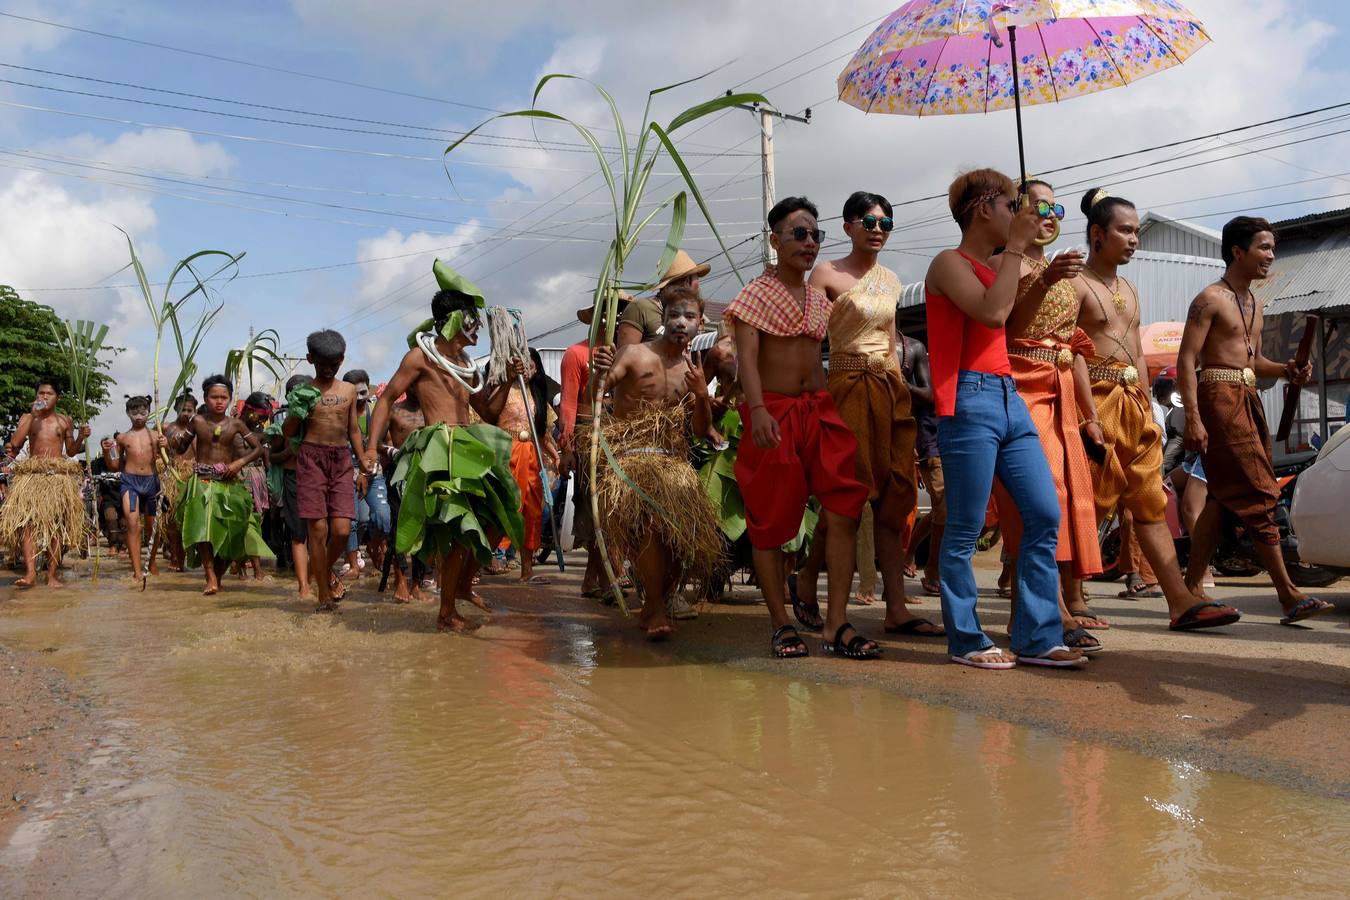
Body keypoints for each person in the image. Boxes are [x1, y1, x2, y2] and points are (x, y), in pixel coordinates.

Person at [923, 169, 1085, 669]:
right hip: (970, 398)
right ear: (982, 208)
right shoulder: (948, 263)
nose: (1021, 213)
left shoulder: (996, 267)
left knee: (1043, 513)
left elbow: (1013, 322)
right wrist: (1016, 247)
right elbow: (991, 316)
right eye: (1012, 203)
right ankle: (967, 640)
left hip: (1008, 393)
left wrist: (1043, 276)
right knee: (966, 527)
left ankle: (1037, 636)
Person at [1070, 187, 1240, 632]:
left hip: (1134, 404)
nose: (1133, 239)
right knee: (1085, 501)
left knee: (1149, 501)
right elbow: (1071, 354)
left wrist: (1148, 407)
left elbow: (1138, 353)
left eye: (1135, 231)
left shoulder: (1128, 285)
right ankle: (1067, 600)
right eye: (1124, 231)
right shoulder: (1073, 284)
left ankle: (1180, 601)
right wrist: (1087, 415)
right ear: (1096, 234)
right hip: (1096, 403)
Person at [727, 196, 873, 660]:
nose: (809, 243)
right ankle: (781, 624)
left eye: (815, 235)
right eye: (798, 234)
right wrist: (758, 410)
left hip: (819, 410)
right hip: (773, 411)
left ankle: (836, 624)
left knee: (844, 508)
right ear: (775, 240)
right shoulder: (754, 295)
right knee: (770, 522)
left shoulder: (818, 298)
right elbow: (747, 360)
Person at [1177, 215, 1331, 625]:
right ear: (1237, 251)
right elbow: (1187, 359)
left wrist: (1286, 370)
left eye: (1272, 248)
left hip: (1246, 398)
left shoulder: (1256, 303)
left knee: (1223, 497)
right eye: (1264, 247)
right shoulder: (1209, 299)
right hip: (1217, 398)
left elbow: (1253, 362)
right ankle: (1287, 593)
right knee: (1262, 492)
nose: (1271, 256)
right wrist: (1193, 417)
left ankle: (1191, 589)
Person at [798, 190, 938, 637]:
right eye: (869, 221)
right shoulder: (825, 274)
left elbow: (892, 340)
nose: (878, 229)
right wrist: (817, 398)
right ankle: (806, 583)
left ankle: (895, 607)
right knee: (849, 498)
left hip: (889, 391)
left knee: (895, 497)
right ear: (848, 227)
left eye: (885, 223)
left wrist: (900, 391)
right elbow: (807, 344)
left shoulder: (893, 280)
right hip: (845, 388)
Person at [363, 260, 526, 634]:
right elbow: (386, 400)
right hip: (440, 451)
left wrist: (509, 380)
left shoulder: (467, 363)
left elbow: (487, 408)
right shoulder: (420, 356)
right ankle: (446, 612)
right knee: (457, 529)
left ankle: (461, 588)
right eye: (472, 319)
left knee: (497, 515)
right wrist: (371, 449)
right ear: (453, 320)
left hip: (467, 447)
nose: (478, 328)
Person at [986, 180, 1106, 652]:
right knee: (1039, 498)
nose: (1049, 215)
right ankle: (1050, 610)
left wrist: (1090, 414)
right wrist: (1045, 279)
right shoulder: (1002, 264)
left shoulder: (1072, 276)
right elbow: (1007, 324)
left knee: (1068, 494)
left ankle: (1032, 613)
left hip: (1061, 390)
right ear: (1015, 212)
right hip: (1019, 382)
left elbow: (1074, 349)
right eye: (1038, 207)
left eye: (1055, 207)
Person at [592, 285, 723, 640]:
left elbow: (698, 430)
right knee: (649, 522)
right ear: (662, 318)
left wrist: (700, 395)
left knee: (682, 534)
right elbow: (598, 391)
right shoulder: (634, 353)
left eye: (690, 317)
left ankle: (657, 600)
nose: (682, 323)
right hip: (631, 459)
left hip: (672, 460)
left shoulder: (691, 371)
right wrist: (601, 369)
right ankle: (653, 605)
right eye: (674, 315)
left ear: (700, 323)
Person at [280, 331, 367, 612]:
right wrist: (297, 411)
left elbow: (353, 428)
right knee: (317, 529)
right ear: (310, 360)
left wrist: (363, 462)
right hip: (311, 457)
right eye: (323, 363)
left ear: (342, 359)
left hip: (341, 459)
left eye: (334, 363)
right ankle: (324, 595)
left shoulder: (348, 391)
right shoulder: (304, 392)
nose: (329, 368)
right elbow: (287, 432)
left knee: (342, 530)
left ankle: (322, 573)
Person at [172, 375, 269, 595]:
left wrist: (238, 463)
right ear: (205, 398)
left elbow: (257, 448)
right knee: (203, 530)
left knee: (235, 530)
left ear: (230, 399)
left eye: (223, 397)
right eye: (214, 397)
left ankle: (218, 573)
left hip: (228, 482)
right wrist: (169, 441)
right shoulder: (197, 421)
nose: (219, 401)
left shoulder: (235, 423)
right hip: (202, 482)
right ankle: (210, 576)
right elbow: (180, 448)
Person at [559, 294, 629, 600]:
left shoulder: (626, 354)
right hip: (590, 434)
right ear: (603, 317)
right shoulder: (576, 354)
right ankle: (614, 573)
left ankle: (591, 577)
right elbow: (569, 405)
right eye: (617, 313)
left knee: (611, 505)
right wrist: (566, 448)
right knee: (596, 503)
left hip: (619, 433)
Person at [1, 378, 90, 588]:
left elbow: (71, 451)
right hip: (33, 476)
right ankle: (31, 574)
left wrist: (80, 437)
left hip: (57, 478)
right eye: (40, 393)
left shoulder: (64, 420)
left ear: (57, 398)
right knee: (27, 524)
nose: (43, 397)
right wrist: (33, 415)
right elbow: (15, 443)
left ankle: (51, 575)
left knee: (57, 526)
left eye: (48, 394)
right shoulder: (28, 418)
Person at [494, 350, 559, 586]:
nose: (528, 367)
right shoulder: (502, 390)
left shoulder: (537, 395)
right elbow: (487, 418)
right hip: (504, 453)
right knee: (504, 507)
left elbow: (542, 434)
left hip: (531, 455)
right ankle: (492, 557)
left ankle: (527, 570)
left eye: (532, 364)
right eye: (524, 363)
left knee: (532, 512)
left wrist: (555, 456)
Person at [100, 394, 168, 581]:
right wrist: (106, 451)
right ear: (128, 413)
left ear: (148, 413)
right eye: (134, 412)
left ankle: (152, 561)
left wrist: (166, 447)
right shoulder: (122, 438)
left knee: (153, 527)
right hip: (130, 482)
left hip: (151, 481)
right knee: (132, 524)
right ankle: (137, 570)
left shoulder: (156, 436)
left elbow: (168, 461)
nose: (139, 415)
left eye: (143, 412)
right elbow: (114, 466)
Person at [899, 334, 944, 596]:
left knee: (942, 509)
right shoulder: (919, 356)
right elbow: (924, 395)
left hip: (956, 440)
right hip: (931, 441)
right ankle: (933, 570)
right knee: (944, 507)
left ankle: (910, 553)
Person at [377, 382, 428, 603]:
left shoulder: (431, 411)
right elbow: (375, 442)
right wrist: (392, 451)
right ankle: (400, 581)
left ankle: (417, 584)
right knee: (399, 527)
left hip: (424, 475)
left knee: (423, 529)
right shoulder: (394, 411)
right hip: (398, 474)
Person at [266, 374, 314, 599]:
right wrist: (292, 450)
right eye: (296, 391)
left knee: (320, 531)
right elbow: (272, 456)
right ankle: (303, 585)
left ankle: (317, 578)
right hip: (293, 476)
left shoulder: (320, 413)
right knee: (297, 532)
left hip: (317, 476)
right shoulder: (281, 420)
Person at [341, 369, 391, 580]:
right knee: (354, 521)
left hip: (372, 472)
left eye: (363, 392)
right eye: (355, 393)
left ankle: (373, 544)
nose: (360, 398)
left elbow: (386, 440)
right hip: (346, 472)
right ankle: (352, 562)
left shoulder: (376, 414)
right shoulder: (340, 414)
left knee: (382, 516)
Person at [617, 250, 710, 345]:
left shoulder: (688, 317)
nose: (698, 285)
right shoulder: (641, 308)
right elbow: (624, 355)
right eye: (696, 278)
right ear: (686, 281)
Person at [159, 391, 199, 571]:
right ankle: (175, 557)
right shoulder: (166, 428)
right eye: (183, 409)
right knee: (172, 521)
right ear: (176, 409)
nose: (186, 413)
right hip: (172, 475)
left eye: (190, 410)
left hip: (191, 476)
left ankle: (189, 556)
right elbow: (157, 453)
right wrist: (162, 446)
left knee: (189, 520)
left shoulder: (197, 429)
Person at [238, 392, 274, 582]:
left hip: (259, 478)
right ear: (250, 410)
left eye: (265, 419)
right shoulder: (235, 427)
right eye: (260, 417)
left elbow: (266, 458)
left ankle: (244, 566)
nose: (262, 421)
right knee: (246, 523)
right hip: (240, 477)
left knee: (256, 522)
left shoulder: (261, 432)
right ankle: (254, 568)